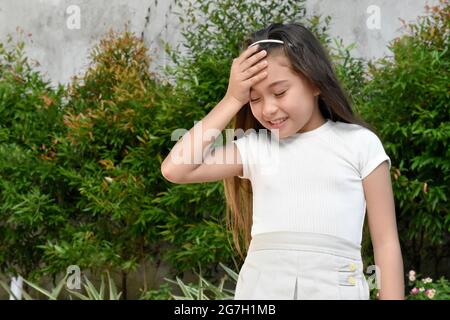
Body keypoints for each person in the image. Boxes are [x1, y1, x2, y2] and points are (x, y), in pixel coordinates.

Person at [161, 22, 404, 300]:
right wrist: (231, 99)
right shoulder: (256, 148)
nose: (268, 109)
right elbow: (175, 168)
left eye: (279, 92)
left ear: (314, 83)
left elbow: (386, 243)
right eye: (254, 99)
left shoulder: (360, 144)